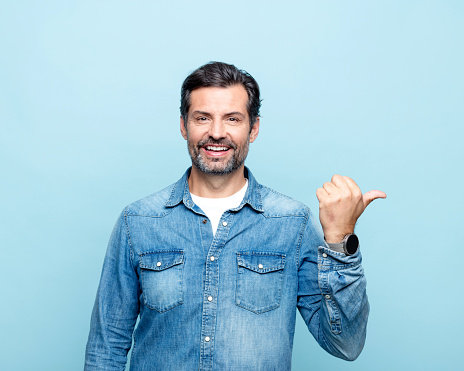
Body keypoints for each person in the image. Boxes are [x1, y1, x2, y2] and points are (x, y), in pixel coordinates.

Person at [84, 61, 386, 370]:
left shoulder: (292, 223)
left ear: (253, 128)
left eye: (232, 119)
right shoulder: (137, 222)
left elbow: (345, 344)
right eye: (202, 118)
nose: (216, 133)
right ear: (183, 125)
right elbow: (105, 349)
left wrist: (340, 240)